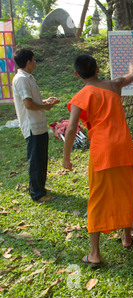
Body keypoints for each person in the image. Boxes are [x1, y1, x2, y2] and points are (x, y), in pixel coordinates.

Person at [62, 54, 133, 267]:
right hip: (124, 147)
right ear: (98, 69)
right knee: (127, 191)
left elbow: (71, 129)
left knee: (97, 199)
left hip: (103, 151)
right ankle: (126, 238)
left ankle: (95, 254)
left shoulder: (81, 95)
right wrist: (132, 57)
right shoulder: (114, 85)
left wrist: (66, 158)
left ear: (77, 74)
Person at [12, 49, 60, 203]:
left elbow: (32, 100)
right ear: (28, 62)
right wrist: (45, 107)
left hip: (38, 125)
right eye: (33, 59)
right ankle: (37, 194)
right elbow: (28, 104)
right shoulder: (21, 79)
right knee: (36, 161)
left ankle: (40, 186)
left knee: (41, 158)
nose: (35, 62)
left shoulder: (28, 77)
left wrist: (45, 101)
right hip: (32, 126)